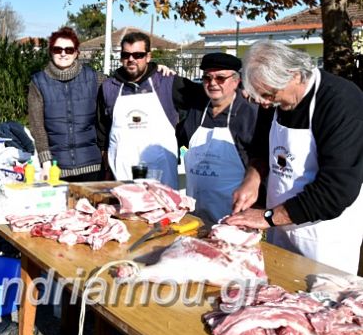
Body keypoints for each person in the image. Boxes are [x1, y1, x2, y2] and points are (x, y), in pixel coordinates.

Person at [226, 41, 363, 274]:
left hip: (324, 236)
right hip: (279, 227)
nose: (265, 103)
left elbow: (336, 190)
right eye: (260, 96)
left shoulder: (341, 101)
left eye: (270, 94)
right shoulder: (271, 100)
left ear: (295, 75)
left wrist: (267, 217)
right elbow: (260, 148)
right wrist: (253, 178)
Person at [97, 32, 205, 187]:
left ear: (148, 57)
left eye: (138, 55)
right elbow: (102, 129)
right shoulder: (108, 88)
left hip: (162, 180)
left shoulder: (168, 82)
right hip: (122, 180)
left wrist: (183, 136)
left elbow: (205, 96)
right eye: (126, 54)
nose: (131, 59)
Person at [177, 53, 271, 227]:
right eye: (207, 78)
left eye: (220, 78)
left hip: (232, 219)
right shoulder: (196, 109)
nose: (212, 83)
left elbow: (262, 161)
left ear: (236, 81)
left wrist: (258, 205)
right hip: (194, 215)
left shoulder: (250, 114)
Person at [28, 27, 105, 181]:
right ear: (51, 51)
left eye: (69, 50)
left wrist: (155, 71)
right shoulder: (38, 82)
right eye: (58, 49)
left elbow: (122, 83)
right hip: (56, 169)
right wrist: (46, 163)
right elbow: (37, 127)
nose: (63, 53)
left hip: (92, 166)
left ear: (76, 53)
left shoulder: (93, 78)